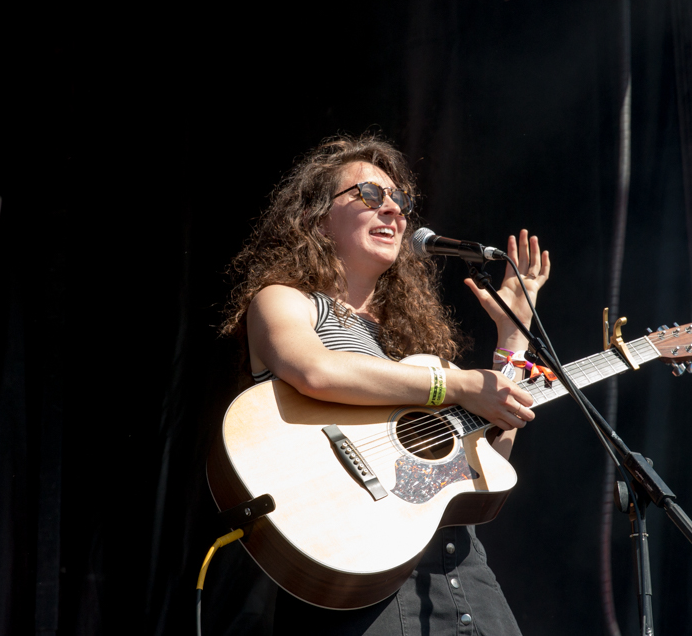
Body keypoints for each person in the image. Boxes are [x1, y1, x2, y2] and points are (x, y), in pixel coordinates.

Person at [220, 134, 550, 635]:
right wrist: (455, 384)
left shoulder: (413, 346)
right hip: (357, 582)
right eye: (371, 196)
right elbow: (316, 371)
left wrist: (512, 341)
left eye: (401, 200)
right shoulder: (285, 301)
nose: (394, 210)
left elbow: (488, 462)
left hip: (461, 574)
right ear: (315, 217)